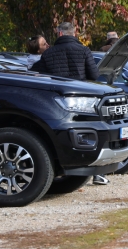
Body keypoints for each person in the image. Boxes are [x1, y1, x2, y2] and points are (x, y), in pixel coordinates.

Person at [32, 22, 106, 185]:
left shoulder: (49, 53)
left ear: (59, 34)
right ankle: (97, 173)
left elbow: (41, 76)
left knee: (62, 135)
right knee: (89, 135)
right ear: (74, 33)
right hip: (83, 101)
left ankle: (60, 170)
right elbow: (94, 75)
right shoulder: (84, 50)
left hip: (58, 101)